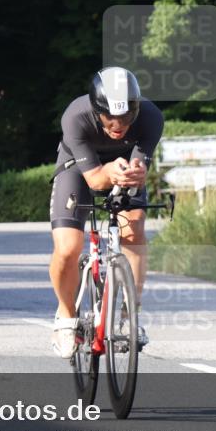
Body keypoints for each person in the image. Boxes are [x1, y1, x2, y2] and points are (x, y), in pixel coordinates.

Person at [48, 66, 163, 358]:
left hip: (121, 168)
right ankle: (65, 313)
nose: (118, 124)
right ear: (96, 109)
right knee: (68, 248)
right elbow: (97, 180)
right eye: (109, 116)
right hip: (78, 168)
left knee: (133, 228)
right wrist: (110, 171)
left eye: (126, 116)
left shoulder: (151, 118)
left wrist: (138, 174)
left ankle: (128, 313)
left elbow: (140, 169)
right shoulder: (76, 116)